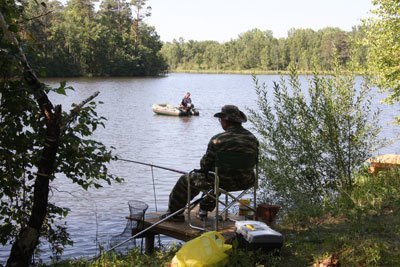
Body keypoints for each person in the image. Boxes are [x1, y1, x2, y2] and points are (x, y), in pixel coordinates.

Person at [160, 105, 259, 222]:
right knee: (215, 179)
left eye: (220, 120)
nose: (220, 122)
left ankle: (174, 214)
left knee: (188, 180)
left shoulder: (218, 140)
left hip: (221, 181)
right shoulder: (252, 139)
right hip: (246, 182)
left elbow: (205, 166)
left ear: (225, 120)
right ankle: (203, 209)